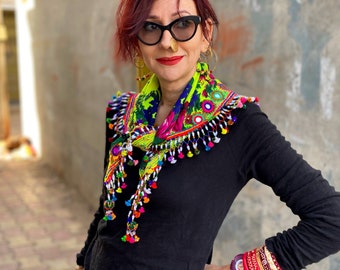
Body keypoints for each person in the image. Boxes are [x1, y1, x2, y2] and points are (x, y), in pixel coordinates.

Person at [75, 0, 340, 269]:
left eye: (183, 24)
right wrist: (83, 259)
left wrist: (240, 267)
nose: (166, 42)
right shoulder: (122, 113)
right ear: (138, 39)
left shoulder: (237, 122)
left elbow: (332, 219)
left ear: (206, 33)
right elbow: (108, 206)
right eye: (151, 27)